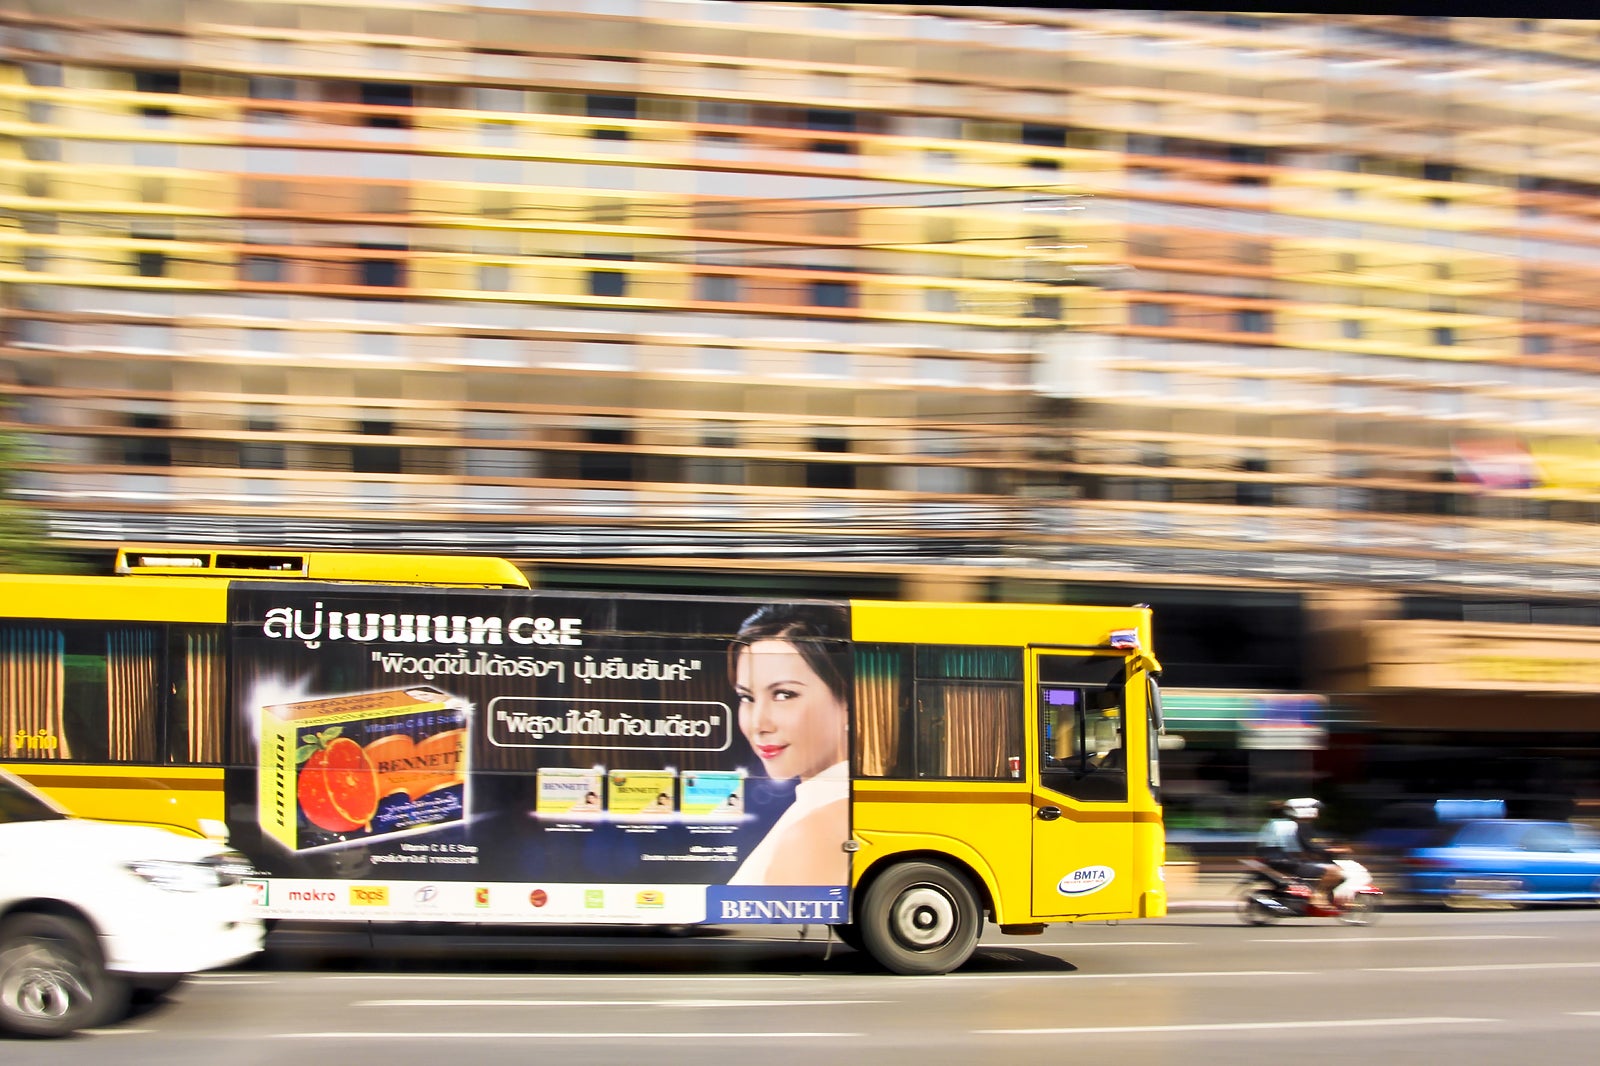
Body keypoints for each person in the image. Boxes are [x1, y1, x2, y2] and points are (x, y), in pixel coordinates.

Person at [725, 603, 850, 887]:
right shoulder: (822, 810)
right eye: (747, 697)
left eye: (783, 694)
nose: (759, 723)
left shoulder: (815, 832)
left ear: (848, 702)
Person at [1256, 797, 1343, 907]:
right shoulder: (1294, 825)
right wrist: (1325, 851)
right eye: (1315, 809)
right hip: (1284, 861)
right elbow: (1304, 847)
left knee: (1311, 867)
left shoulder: (1273, 824)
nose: (1318, 813)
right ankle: (1318, 897)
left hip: (1273, 859)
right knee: (1333, 871)